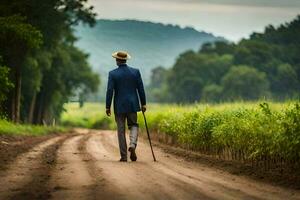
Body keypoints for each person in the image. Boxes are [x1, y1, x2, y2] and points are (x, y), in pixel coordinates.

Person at [105, 51, 146, 162]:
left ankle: (124, 157)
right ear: (126, 60)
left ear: (117, 60)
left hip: (119, 106)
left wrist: (107, 106)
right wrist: (143, 103)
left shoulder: (113, 74)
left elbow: (110, 91)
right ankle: (132, 145)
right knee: (133, 125)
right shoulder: (135, 72)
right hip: (133, 105)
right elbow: (141, 89)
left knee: (121, 130)